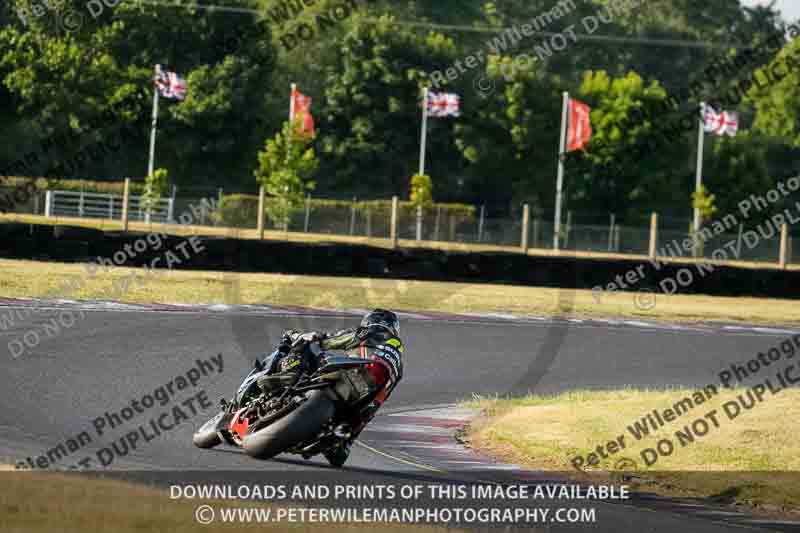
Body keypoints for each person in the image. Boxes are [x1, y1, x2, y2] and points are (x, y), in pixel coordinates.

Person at [269, 309, 404, 465]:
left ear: (370, 321)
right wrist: (350, 436)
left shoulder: (371, 332)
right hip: (365, 402)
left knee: (307, 345)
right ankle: (342, 440)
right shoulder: (400, 365)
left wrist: (305, 337)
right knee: (340, 453)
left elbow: (330, 340)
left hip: (349, 374)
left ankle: (289, 376)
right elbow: (381, 398)